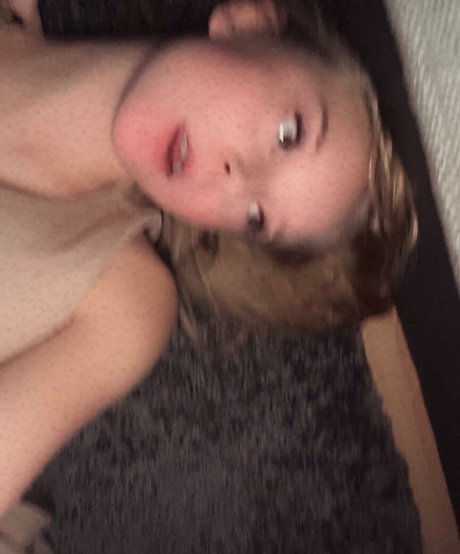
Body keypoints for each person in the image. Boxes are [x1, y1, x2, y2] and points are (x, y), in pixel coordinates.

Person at [0, 0, 416, 530]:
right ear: (250, 24)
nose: (237, 177)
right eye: (289, 133)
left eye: (256, 216)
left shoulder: (121, 307)